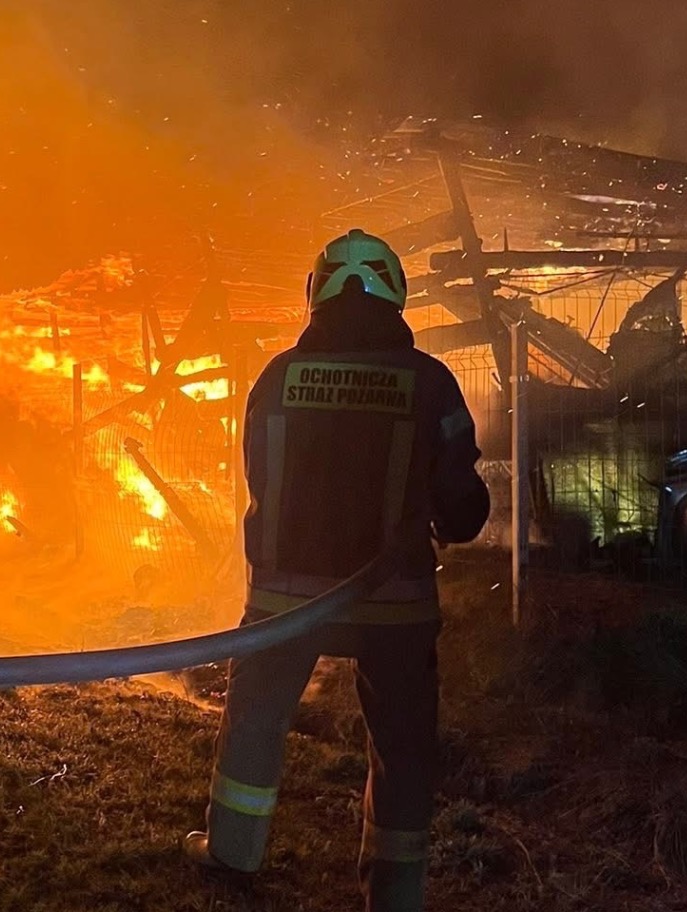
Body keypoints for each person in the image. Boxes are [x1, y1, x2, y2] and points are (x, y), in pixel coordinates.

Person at [184, 229, 489, 912]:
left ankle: (232, 853)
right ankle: (395, 889)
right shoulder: (431, 384)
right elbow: (463, 510)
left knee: (256, 719)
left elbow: (257, 477)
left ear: (315, 292)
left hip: (283, 600)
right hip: (396, 603)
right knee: (403, 744)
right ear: (396, 291)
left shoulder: (276, 378)